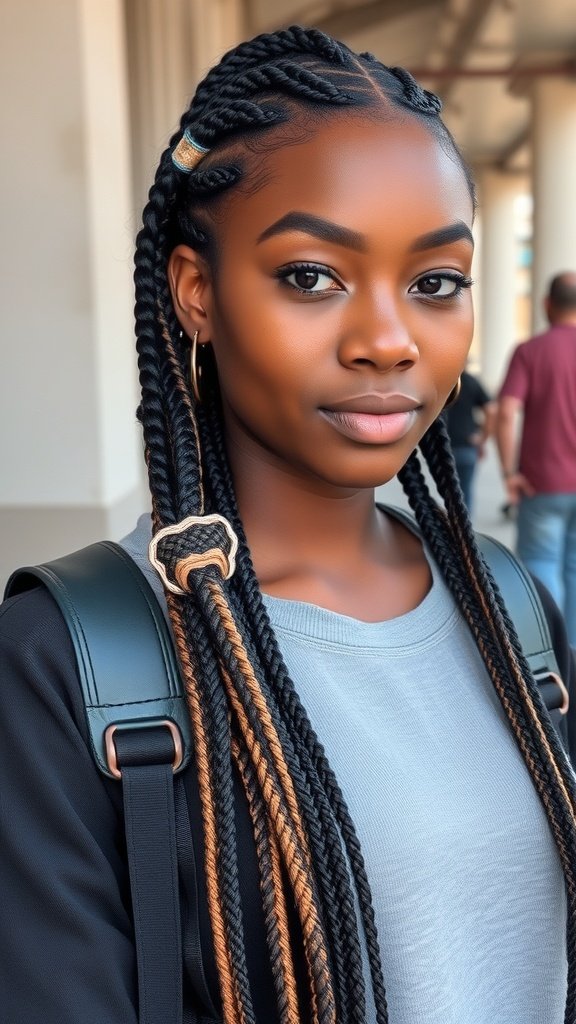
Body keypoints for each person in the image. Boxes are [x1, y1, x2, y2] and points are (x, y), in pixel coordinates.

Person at [1, 25, 575, 1024]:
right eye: (313, 275)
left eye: (436, 280)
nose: (390, 339)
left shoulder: (512, 607)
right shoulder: (67, 662)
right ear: (196, 291)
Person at [497, 272, 576, 645]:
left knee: (542, 564)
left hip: (543, 481)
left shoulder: (530, 351)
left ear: (547, 304)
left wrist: (509, 472)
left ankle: (550, 652)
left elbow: (506, 411)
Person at [442, 367, 496, 512]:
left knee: (449, 494)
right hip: (467, 444)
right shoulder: (471, 381)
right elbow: (491, 410)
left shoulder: (440, 379)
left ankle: (451, 527)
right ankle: (463, 530)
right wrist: (483, 438)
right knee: (464, 493)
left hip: (442, 444)